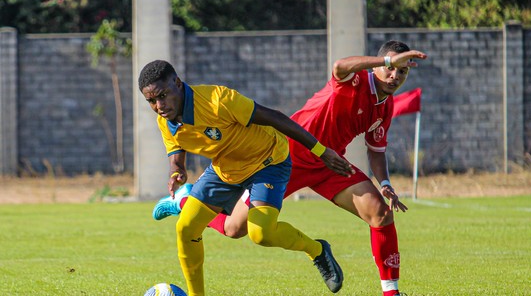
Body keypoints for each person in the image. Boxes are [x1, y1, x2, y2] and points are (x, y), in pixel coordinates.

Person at [153, 40, 428, 296]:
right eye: (390, 69)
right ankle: (185, 200)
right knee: (235, 229)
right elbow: (340, 66)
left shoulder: (384, 107)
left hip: (329, 163)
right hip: (290, 154)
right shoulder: (354, 79)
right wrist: (387, 59)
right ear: (378, 65)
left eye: (402, 72)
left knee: (380, 213)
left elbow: (376, 150)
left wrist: (386, 184)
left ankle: (391, 292)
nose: (395, 77)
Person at [138, 59, 355, 296]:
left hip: (268, 163)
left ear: (177, 84)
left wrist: (321, 152)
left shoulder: (218, 100)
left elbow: (275, 117)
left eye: (162, 96)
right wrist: (176, 171)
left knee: (261, 234)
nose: (159, 105)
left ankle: (317, 250)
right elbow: (176, 154)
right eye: (151, 101)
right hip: (224, 169)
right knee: (186, 228)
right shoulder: (165, 120)